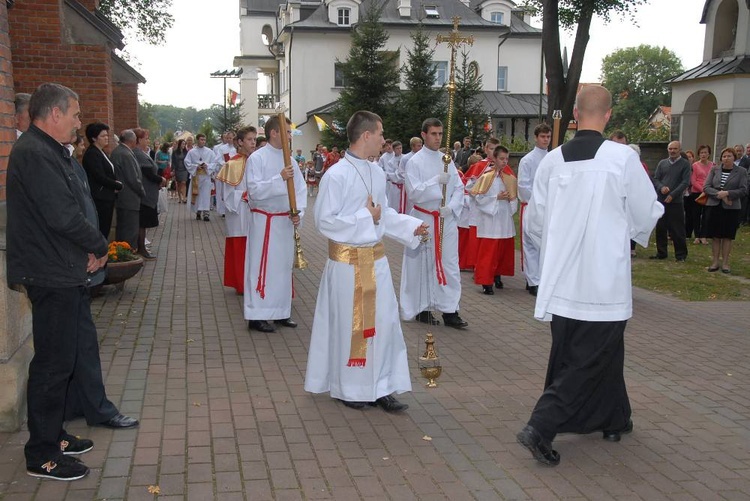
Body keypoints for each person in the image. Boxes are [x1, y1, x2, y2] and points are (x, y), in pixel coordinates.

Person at [517, 85, 663, 467]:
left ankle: (614, 418)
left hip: (563, 279)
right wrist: (623, 233)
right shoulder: (623, 158)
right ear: (609, 115)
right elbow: (647, 211)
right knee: (586, 361)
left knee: (598, 354)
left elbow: (534, 222)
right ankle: (540, 425)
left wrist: (556, 245)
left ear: (576, 115)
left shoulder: (552, 162)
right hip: (603, 279)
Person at [6, 83, 140, 482]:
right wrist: (99, 244)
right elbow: (61, 214)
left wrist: (91, 250)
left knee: (67, 355)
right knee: (52, 363)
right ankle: (42, 453)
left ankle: (56, 435)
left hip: (63, 269)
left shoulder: (46, 150)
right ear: (54, 115)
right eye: (76, 114)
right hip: (51, 273)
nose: (80, 122)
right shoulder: (34, 154)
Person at [304, 110, 428, 413]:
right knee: (352, 326)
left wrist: (412, 226)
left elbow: (382, 213)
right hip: (347, 267)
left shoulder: (376, 171)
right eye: (381, 134)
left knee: (384, 324)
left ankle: (382, 386)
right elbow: (324, 222)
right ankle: (352, 388)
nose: (384, 140)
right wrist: (365, 217)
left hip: (377, 262)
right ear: (366, 136)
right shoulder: (336, 175)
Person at [400, 118, 467, 329]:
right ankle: (422, 307)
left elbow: (458, 188)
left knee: (449, 263)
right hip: (425, 219)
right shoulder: (415, 162)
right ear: (424, 134)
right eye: (433, 134)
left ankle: (450, 309)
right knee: (424, 263)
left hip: (445, 219)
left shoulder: (446, 160)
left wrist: (452, 207)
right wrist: (436, 181)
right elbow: (414, 192)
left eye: (440, 134)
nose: (438, 138)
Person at [244, 116, 307, 332]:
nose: (290, 136)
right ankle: (257, 315)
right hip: (265, 222)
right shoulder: (257, 159)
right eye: (287, 132)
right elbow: (254, 191)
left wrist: (299, 212)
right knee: (261, 267)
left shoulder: (290, 161)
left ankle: (281, 311)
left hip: (284, 221)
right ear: (274, 132)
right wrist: (279, 178)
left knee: (282, 268)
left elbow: (300, 190)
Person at [469, 145, 517, 294]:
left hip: (504, 218)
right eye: (501, 159)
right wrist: (496, 198)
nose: (504, 162)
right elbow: (478, 197)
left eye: (506, 159)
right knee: (488, 252)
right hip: (490, 219)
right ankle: (485, 282)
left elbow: (515, 198)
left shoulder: (509, 177)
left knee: (502, 250)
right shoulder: (486, 177)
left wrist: (510, 200)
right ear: (494, 159)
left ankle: (497, 275)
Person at [216, 126, 257, 294]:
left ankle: (253, 281)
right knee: (241, 246)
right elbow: (227, 195)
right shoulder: (231, 164)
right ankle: (241, 283)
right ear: (239, 142)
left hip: (255, 211)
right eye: (249, 139)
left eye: (255, 139)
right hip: (239, 212)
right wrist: (244, 195)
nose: (253, 143)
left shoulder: (257, 161)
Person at [518, 123, 551, 296]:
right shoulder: (528, 160)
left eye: (548, 137)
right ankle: (532, 280)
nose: (546, 140)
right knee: (530, 244)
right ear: (536, 137)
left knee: (544, 244)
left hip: (547, 208)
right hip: (531, 206)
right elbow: (523, 185)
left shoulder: (553, 158)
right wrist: (537, 200)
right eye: (542, 137)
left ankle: (541, 277)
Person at [703, 147, 748, 273]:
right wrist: (720, 195)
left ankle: (726, 263)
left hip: (731, 208)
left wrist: (727, 193)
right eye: (724, 156)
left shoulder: (741, 171)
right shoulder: (714, 169)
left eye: (729, 156)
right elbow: (706, 187)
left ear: (734, 157)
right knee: (716, 236)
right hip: (715, 206)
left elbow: (743, 189)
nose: (726, 158)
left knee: (727, 236)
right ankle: (715, 262)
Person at [460, 138, 501, 273]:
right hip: (479, 208)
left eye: (497, 149)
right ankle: (478, 265)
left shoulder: (501, 166)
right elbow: (469, 187)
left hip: (495, 208)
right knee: (479, 238)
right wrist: (480, 195)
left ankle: (491, 266)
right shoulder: (478, 166)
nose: (494, 152)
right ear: (486, 149)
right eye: (491, 148)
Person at [81, 122, 122, 239]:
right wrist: (116, 185)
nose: (106, 138)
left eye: (107, 135)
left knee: (106, 227)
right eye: (103, 136)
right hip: (100, 197)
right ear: (94, 138)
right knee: (102, 228)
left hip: (107, 196)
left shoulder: (101, 152)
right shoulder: (92, 154)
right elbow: (99, 176)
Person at [651, 141, 690, 261]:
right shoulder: (662, 163)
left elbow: (685, 182)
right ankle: (661, 253)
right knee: (661, 228)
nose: (672, 151)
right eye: (670, 149)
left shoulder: (685, 164)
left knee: (677, 229)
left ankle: (681, 254)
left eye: (675, 149)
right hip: (662, 201)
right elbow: (656, 179)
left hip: (676, 201)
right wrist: (661, 187)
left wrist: (673, 194)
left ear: (679, 150)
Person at [133, 128, 165, 259]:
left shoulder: (142, 152)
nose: (148, 141)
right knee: (143, 223)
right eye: (146, 138)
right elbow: (148, 173)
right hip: (145, 194)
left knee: (144, 223)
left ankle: (142, 246)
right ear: (139, 140)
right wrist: (160, 179)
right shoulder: (138, 154)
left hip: (148, 192)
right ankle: (141, 248)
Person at [111, 129, 146, 249]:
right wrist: (142, 191)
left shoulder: (119, 151)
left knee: (124, 228)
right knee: (129, 230)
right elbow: (132, 178)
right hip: (129, 198)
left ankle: (124, 251)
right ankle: (128, 253)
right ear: (133, 140)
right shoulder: (125, 154)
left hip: (124, 198)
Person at [185, 133, 218, 221]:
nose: (203, 141)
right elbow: (187, 163)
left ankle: (206, 213)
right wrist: (196, 167)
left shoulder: (210, 152)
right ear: (197, 140)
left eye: (204, 140)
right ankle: (198, 212)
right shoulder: (191, 152)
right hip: (197, 176)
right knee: (198, 194)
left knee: (206, 194)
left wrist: (207, 166)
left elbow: (214, 162)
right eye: (201, 139)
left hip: (206, 176)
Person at [689, 145, 713, 245]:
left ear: (709, 154)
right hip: (697, 193)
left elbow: (714, 179)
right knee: (696, 215)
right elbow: (693, 181)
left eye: (705, 152)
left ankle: (704, 236)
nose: (703, 154)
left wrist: (708, 190)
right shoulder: (694, 166)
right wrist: (703, 190)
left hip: (709, 193)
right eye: (701, 152)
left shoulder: (713, 165)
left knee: (707, 215)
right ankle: (697, 236)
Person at [384, 140, 404, 212]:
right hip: (395, 187)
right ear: (394, 149)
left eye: (400, 148)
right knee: (395, 205)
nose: (399, 150)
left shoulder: (405, 158)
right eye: (397, 148)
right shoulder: (391, 162)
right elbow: (389, 175)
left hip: (405, 187)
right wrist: (398, 174)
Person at [172, 139, 189, 203]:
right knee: (179, 184)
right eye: (182, 144)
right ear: (179, 144)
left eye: (184, 144)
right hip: (177, 169)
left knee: (184, 183)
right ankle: (179, 197)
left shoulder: (186, 152)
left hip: (184, 169)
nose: (183, 145)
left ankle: (184, 198)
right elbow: (173, 161)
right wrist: (173, 170)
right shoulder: (175, 152)